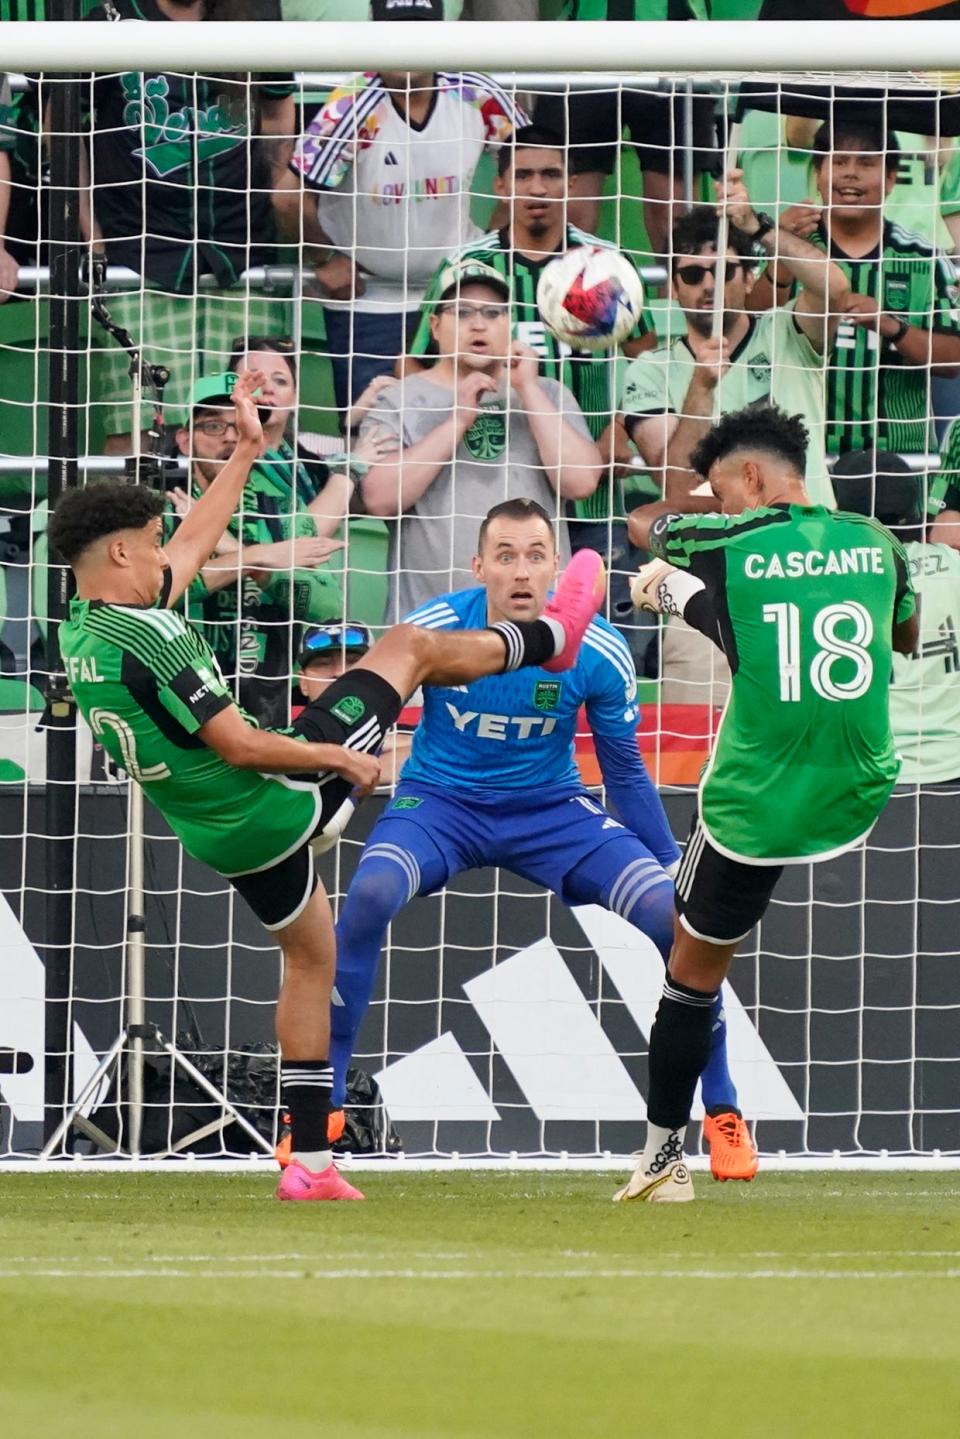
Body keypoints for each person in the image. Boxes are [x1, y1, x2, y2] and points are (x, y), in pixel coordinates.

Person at [49, 368, 609, 1203]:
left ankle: (308, 1156)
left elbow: (192, 550)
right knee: (408, 648)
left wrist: (244, 453)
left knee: (311, 955)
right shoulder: (158, 636)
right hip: (279, 799)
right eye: (154, 536)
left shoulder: (87, 629)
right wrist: (343, 763)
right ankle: (547, 637)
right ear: (125, 551)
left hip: (219, 833)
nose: (169, 547)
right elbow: (240, 744)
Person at [326, 497, 758, 1181]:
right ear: (478, 567)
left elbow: (623, 771)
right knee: (369, 893)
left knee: (680, 924)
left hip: (553, 812)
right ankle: (324, 1100)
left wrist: (671, 860)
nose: (521, 571)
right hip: (441, 804)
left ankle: (725, 1109)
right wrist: (338, 776)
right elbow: (373, 698)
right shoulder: (437, 627)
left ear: (557, 566)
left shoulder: (602, 650)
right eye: (505, 556)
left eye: (535, 555)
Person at [617, 404, 918, 1203]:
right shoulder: (879, 543)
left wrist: (676, 580)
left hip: (759, 803)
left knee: (690, 963)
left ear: (750, 478)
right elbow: (906, 637)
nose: (718, 505)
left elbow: (649, 525)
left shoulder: (724, 540)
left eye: (722, 491)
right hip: (859, 784)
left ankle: (660, 1159)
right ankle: (714, 1125)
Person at [406, 124, 658, 665]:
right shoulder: (467, 269)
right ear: (500, 185)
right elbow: (417, 362)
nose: (537, 188)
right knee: (503, 639)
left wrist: (620, 425)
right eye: (524, 175)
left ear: (570, 184)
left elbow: (645, 353)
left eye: (550, 174)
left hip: (589, 483)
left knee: (597, 647)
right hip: (500, 481)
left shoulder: (606, 265)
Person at [274, 0, 526, 413]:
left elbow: (533, 165)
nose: (404, 46)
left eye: (417, 32)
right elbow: (286, 198)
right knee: (376, 439)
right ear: (373, 32)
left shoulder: (475, 93)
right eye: (393, 32)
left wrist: (490, 247)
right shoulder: (351, 104)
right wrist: (325, 257)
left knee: (469, 431)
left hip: (456, 298)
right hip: (369, 302)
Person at [82, 0, 296, 452]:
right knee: (137, 435)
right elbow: (60, 129)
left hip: (241, 255)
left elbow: (277, 110)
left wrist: (274, 187)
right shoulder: (109, 17)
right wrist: (94, 236)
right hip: (139, 255)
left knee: (249, 428)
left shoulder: (253, 13)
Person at [359, 258, 603, 617]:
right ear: (435, 326)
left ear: (510, 325)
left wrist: (528, 390)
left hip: (533, 625)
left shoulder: (547, 393)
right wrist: (457, 421)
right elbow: (378, 498)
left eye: (493, 313)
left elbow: (581, 482)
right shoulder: (398, 398)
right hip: (432, 624)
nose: (478, 324)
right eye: (463, 312)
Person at [621, 179, 849, 509]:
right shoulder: (649, 370)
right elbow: (676, 485)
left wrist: (756, 228)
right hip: (719, 551)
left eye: (724, 270)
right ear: (672, 287)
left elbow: (835, 290)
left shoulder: (787, 330)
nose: (710, 285)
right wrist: (701, 388)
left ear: (750, 277)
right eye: (693, 275)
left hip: (808, 544)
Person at [750, 113, 960, 459]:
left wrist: (891, 327)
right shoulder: (790, 245)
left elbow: (953, 360)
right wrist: (783, 258)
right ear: (817, 174)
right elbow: (749, 326)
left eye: (866, 162)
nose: (850, 172)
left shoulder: (923, 258)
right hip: (800, 458)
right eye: (838, 160)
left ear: (891, 179)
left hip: (899, 458)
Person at [168, 372, 347, 726]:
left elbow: (328, 610)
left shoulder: (283, 509)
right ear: (185, 439)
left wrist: (229, 548)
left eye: (242, 424)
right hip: (177, 707)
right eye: (214, 427)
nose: (231, 437)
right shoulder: (162, 508)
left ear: (259, 440)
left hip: (269, 708)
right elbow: (158, 595)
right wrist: (256, 556)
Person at [532, 2, 717, 258]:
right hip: (582, 45)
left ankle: (675, 298)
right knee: (571, 216)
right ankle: (564, 297)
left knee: (673, 220)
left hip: (677, 45)